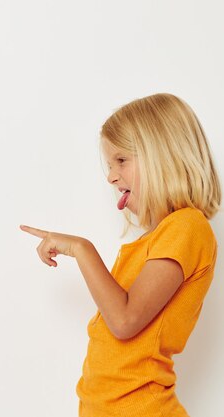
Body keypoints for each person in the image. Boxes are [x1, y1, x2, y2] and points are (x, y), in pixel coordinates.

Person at [21, 93, 220, 416]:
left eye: (121, 161)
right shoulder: (152, 241)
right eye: (110, 164)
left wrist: (81, 249)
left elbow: (125, 320)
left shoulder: (186, 226)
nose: (111, 176)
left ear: (163, 156)